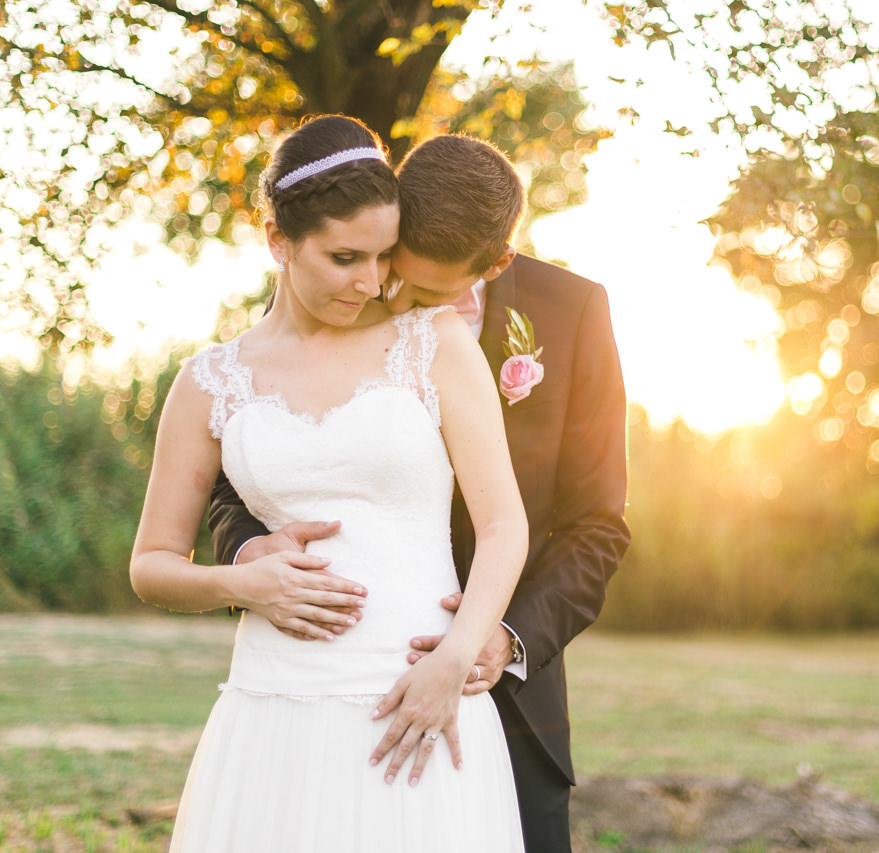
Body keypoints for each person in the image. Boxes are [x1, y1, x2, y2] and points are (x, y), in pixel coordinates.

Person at [209, 134, 631, 850]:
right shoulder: (343, 283)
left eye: (427, 293)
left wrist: (500, 638)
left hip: (510, 696)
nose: (389, 296)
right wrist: (254, 552)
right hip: (332, 678)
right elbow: (241, 467)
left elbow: (597, 524)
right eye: (388, 270)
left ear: (494, 264)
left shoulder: (574, 311)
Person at [130, 115, 528, 850]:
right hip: (274, 704)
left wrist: (455, 654)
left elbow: (505, 523)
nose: (371, 282)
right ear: (278, 239)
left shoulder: (433, 343)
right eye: (345, 257)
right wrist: (242, 583)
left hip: (418, 694)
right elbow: (152, 565)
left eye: (383, 256)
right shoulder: (207, 380)